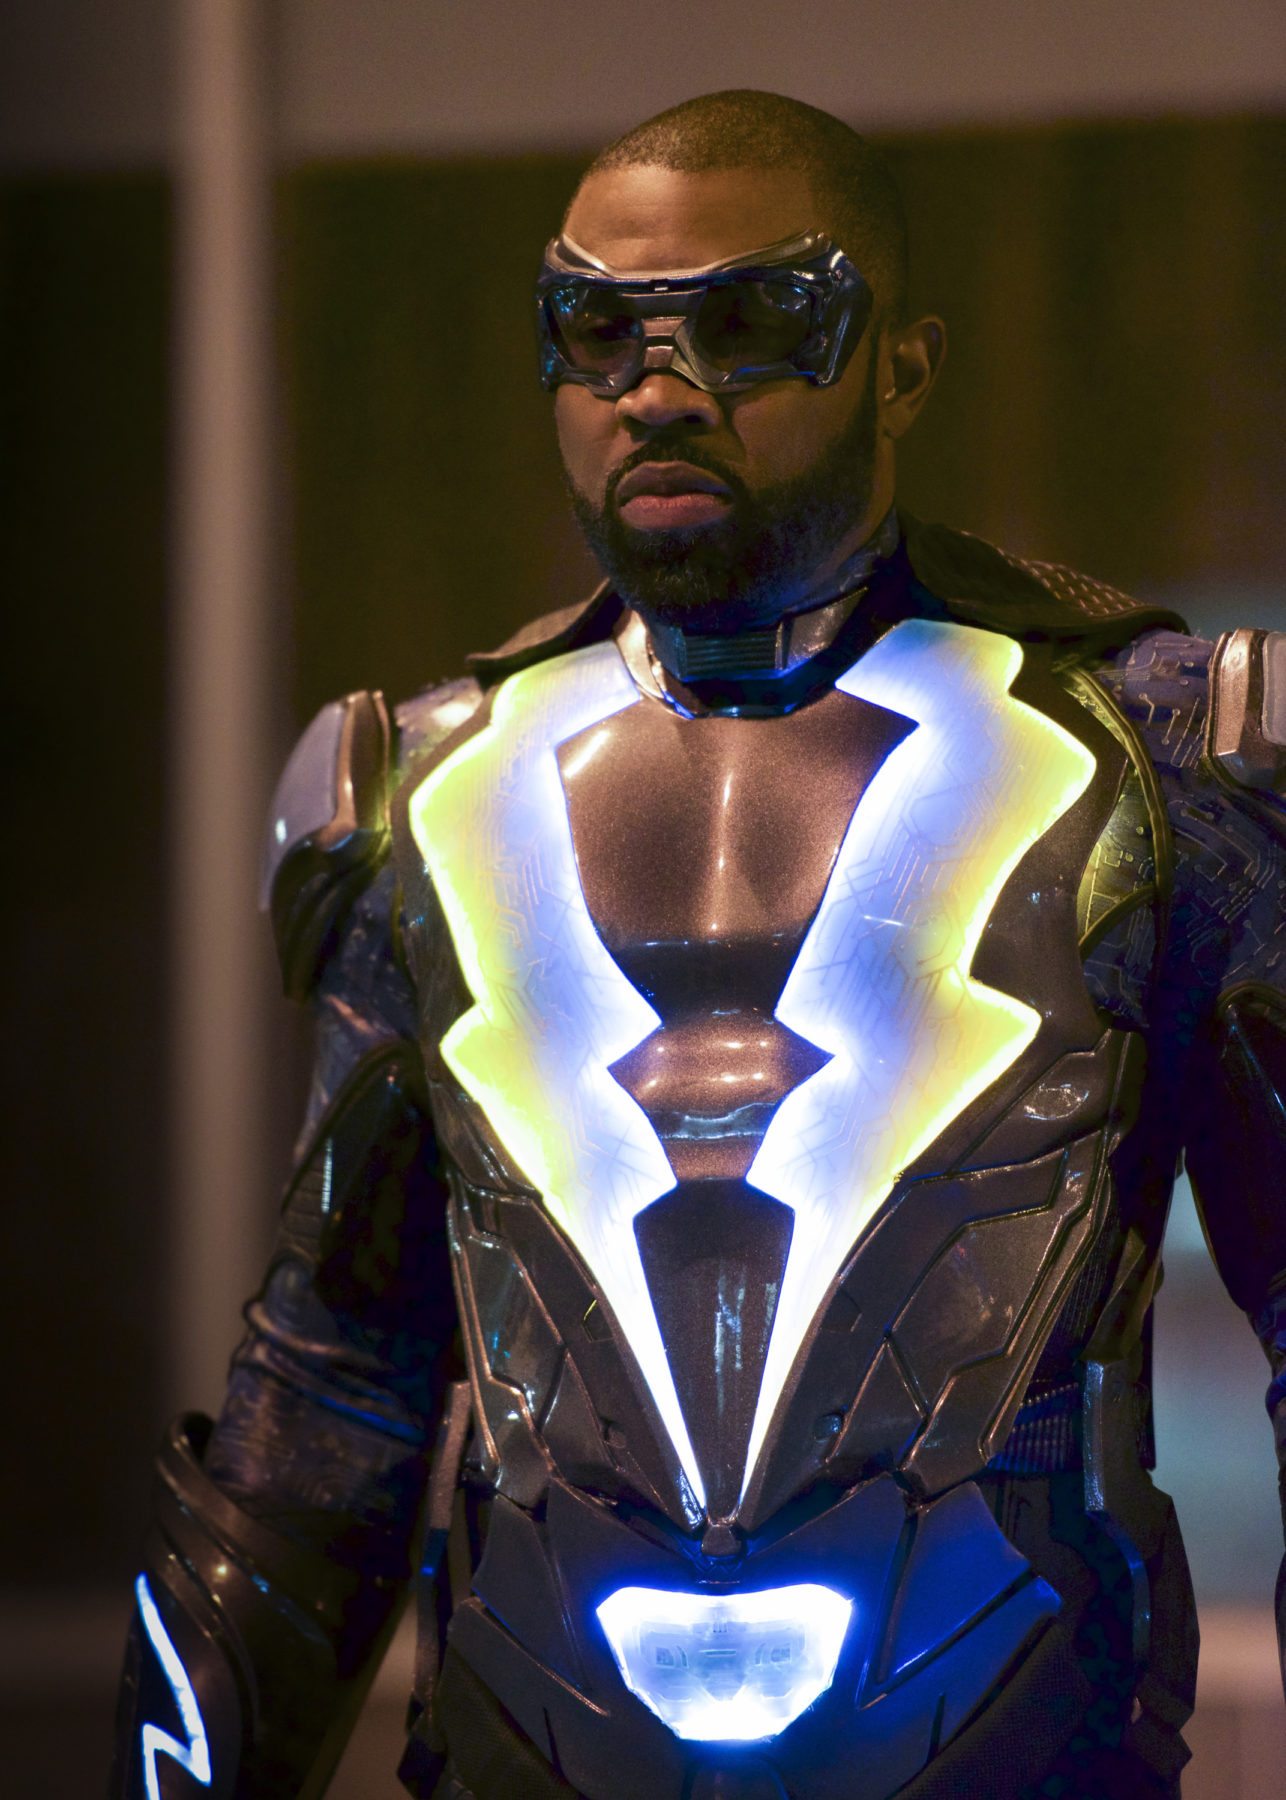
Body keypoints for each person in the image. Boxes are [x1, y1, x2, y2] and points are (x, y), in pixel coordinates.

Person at [112, 90, 1286, 1800]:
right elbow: (328, 1406)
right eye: (597, 332)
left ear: (900, 366)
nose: (656, 391)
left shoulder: (1160, 768)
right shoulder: (422, 801)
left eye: (747, 323)